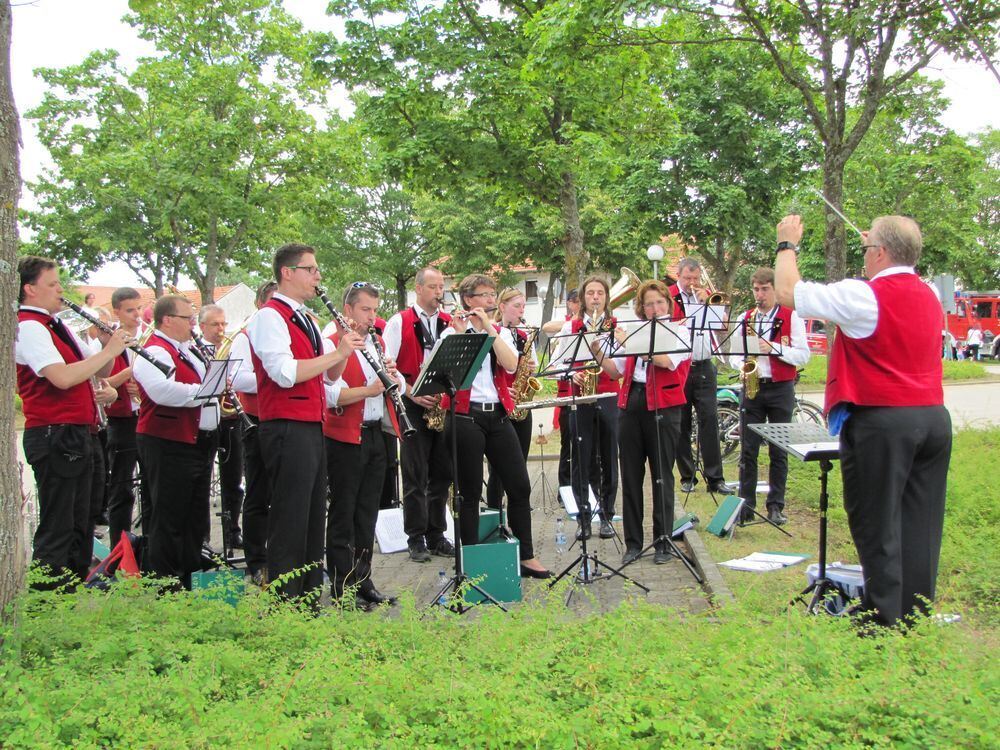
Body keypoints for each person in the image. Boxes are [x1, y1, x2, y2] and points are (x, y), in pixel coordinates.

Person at [774, 214, 952, 629]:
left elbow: (787, 291)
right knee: (920, 524)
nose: (865, 256)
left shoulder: (866, 295)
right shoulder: (928, 294)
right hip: (932, 418)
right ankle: (915, 614)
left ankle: (882, 620)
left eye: (868, 249)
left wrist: (787, 243)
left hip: (883, 419)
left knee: (877, 522)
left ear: (882, 253)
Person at [246, 244, 364, 601]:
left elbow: (328, 379)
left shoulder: (305, 317)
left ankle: (309, 600)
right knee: (290, 519)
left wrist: (344, 352)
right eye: (311, 269)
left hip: (311, 424)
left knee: (313, 518)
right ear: (287, 272)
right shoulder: (269, 316)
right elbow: (282, 373)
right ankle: (285, 602)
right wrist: (338, 352)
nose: (318, 276)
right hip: (284, 425)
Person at [16, 257, 129, 587]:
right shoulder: (30, 327)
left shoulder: (55, 325)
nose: (60, 290)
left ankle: (70, 596)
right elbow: (61, 378)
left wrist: (110, 346)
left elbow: (96, 370)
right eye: (52, 284)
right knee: (59, 526)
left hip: (80, 432)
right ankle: (47, 603)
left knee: (82, 524)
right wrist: (109, 353)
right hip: (56, 434)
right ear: (30, 289)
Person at [444, 274, 550, 578]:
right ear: (468, 300)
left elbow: (512, 364)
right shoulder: (450, 333)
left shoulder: (499, 332)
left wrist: (489, 328)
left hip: (498, 415)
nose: (491, 300)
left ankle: (526, 555)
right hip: (465, 417)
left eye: (493, 295)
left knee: (519, 484)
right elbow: (455, 374)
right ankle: (472, 561)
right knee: (469, 489)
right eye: (484, 295)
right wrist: (464, 332)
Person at [595, 280, 690, 564]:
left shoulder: (680, 330)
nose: (655, 308)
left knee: (662, 476)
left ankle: (663, 542)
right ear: (642, 307)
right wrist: (597, 348)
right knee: (631, 477)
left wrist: (627, 341)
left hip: (664, 406)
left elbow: (667, 362)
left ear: (668, 304)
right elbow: (616, 371)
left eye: (659, 302)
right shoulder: (635, 331)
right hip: (632, 403)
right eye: (649, 304)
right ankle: (633, 544)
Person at [323, 283, 402, 608]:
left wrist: (393, 379)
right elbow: (329, 395)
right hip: (345, 436)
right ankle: (342, 587)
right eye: (365, 310)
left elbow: (387, 387)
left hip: (375, 434)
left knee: (368, 513)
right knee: (344, 513)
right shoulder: (332, 341)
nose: (372, 316)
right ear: (348, 309)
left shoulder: (376, 342)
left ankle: (363, 580)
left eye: (374, 309)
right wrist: (368, 391)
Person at [133, 294, 220, 589]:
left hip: (196, 441)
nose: (193, 324)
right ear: (167, 320)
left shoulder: (186, 349)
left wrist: (217, 382)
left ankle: (189, 576)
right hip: (167, 441)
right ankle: (165, 584)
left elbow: (205, 381)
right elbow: (162, 391)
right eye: (188, 318)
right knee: (168, 516)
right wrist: (206, 390)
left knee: (194, 516)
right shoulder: (154, 350)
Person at [382, 267, 455, 563]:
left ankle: (437, 534)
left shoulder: (449, 322)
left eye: (442, 287)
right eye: (434, 287)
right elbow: (387, 364)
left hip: (440, 403)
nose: (440, 293)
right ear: (419, 288)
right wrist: (411, 391)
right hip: (411, 402)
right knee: (415, 473)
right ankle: (415, 537)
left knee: (442, 473)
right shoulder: (399, 321)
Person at [732, 268, 811, 525]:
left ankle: (776, 505)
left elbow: (803, 355)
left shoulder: (792, 316)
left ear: (775, 290)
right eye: (756, 289)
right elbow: (732, 354)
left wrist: (774, 348)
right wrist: (740, 365)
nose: (760, 294)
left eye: (765, 289)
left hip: (780, 388)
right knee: (748, 450)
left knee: (779, 451)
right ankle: (746, 504)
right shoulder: (747, 318)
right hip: (753, 387)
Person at [553, 277, 622, 538]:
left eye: (600, 293)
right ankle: (583, 517)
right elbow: (558, 363)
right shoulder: (570, 326)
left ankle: (606, 515)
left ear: (606, 298)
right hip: (580, 398)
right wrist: (572, 374)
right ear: (583, 298)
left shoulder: (615, 326)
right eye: (590, 293)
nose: (595, 297)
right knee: (580, 459)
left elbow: (621, 365)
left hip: (607, 395)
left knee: (608, 458)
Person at [669, 259, 736, 496]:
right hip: (681, 366)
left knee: (709, 420)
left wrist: (706, 303)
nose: (692, 283)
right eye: (688, 278)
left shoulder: (707, 297)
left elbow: (723, 326)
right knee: (682, 423)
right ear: (678, 275)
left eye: (695, 279)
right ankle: (688, 477)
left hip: (705, 364)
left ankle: (715, 478)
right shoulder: (669, 296)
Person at [229, 280, 276, 582]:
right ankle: (256, 561)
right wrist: (277, 375)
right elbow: (237, 378)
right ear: (260, 305)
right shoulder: (245, 338)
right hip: (257, 421)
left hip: (286, 422)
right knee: (258, 494)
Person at [103, 288, 151, 547]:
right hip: (122, 420)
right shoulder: (108, 339)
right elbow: (99, 381)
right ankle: (119, 550)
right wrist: (131, 373)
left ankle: (151, 548)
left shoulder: (146, 337)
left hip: (146, 417)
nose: (136, 315)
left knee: (151, 485)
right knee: (122, 487)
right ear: (117, 312)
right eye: (130, 310)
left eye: (138, 309)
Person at [485, 289, 537, 511]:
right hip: (501, 403)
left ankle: (516, 507)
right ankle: (495, 510)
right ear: (502, 306)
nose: (521, 310)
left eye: (523, 306)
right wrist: (505, 390)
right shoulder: (493, 332)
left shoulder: (525, 336)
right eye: (517, 305)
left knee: (519, 462)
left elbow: (531, 367)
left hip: (521, 403)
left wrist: (531, 370)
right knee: (498, 468)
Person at [198, 303, 245, 549]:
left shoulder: (230, 350)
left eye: (223, 324)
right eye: (215, 324)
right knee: (203, 481)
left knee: (234, 479)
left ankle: (232, 531)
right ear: (202, 326)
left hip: (230, 420)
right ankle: (203, 537)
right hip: (205, 422)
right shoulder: (196, 350)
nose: (221, 329)